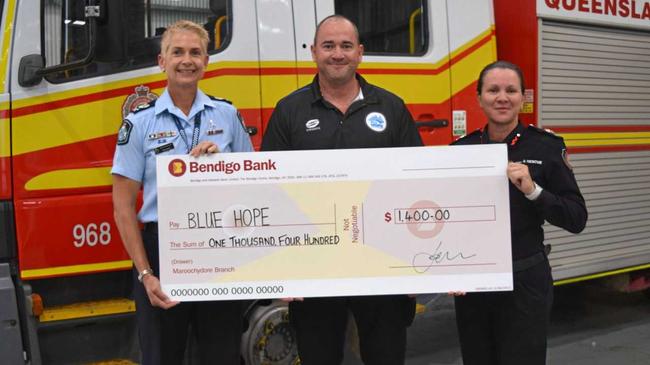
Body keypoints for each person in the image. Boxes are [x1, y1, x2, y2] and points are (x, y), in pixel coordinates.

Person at [261, 14, 422, 365]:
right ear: (313, 52)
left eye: (346, 46)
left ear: (360, 53)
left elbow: (415, 186)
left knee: (386, 357)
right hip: (314, 267)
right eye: (329, 46)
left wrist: (414, 265)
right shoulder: (289, 111)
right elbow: (272, 194)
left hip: (383, 264)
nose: (338, 54)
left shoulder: (391, 108)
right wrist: (282, 272)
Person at [111, 20, 253, 364]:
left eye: (195, 52)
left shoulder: (227, 114)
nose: (186, 60)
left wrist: (223, 165)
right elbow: (123, 207)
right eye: (177, 52)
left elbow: (253, 186)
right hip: (162, 251)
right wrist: (146, 274)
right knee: (162, 355)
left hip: (219, 247)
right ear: (162, 61)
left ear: (206, 61)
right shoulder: (139, 124)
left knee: (221, 353)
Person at [451, 60, 588, 365]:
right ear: (479, 97)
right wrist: (449, 271)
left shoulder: (546, 147)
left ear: (523, 98)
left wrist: (533, 191)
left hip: (526, 280)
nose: (502, 97)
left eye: (511, 90)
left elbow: (576, 218)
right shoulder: (460, 151)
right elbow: (450, 221)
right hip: (475, 286)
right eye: (493, 90)